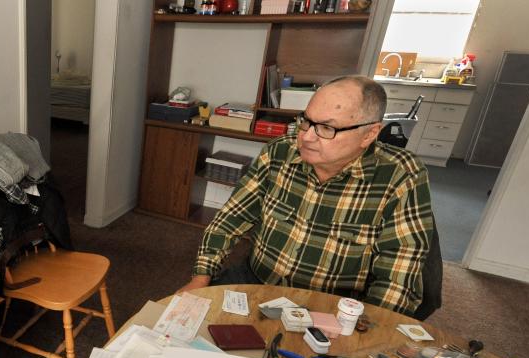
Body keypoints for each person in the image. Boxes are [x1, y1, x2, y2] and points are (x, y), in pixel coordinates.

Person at [178, 75, 435, 315]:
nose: (307, 137)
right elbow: (230, 219)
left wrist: (357, 324)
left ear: (369, 134)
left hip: (332, 306)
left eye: (327, 128)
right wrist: (201, 276)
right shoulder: (280, 151)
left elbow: (398, 274)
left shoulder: (400, 174)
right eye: (306, 121)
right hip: (257, 279)